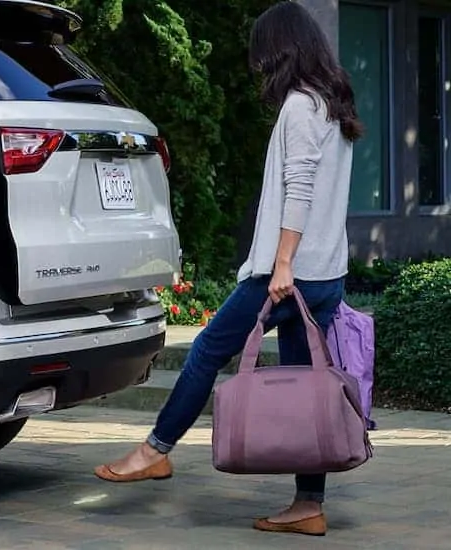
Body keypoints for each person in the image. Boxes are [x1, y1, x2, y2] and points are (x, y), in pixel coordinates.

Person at [92, 1, 363, 538]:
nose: (258, 65)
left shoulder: (300, 108)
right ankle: (308, 504)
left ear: (281, 49)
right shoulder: (333, 105)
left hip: (289, 275)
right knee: (305, 384)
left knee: (207, 351)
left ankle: (155, 450)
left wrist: (281, 264)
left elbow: (301, 192)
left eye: (261, 54)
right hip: (325, 273)